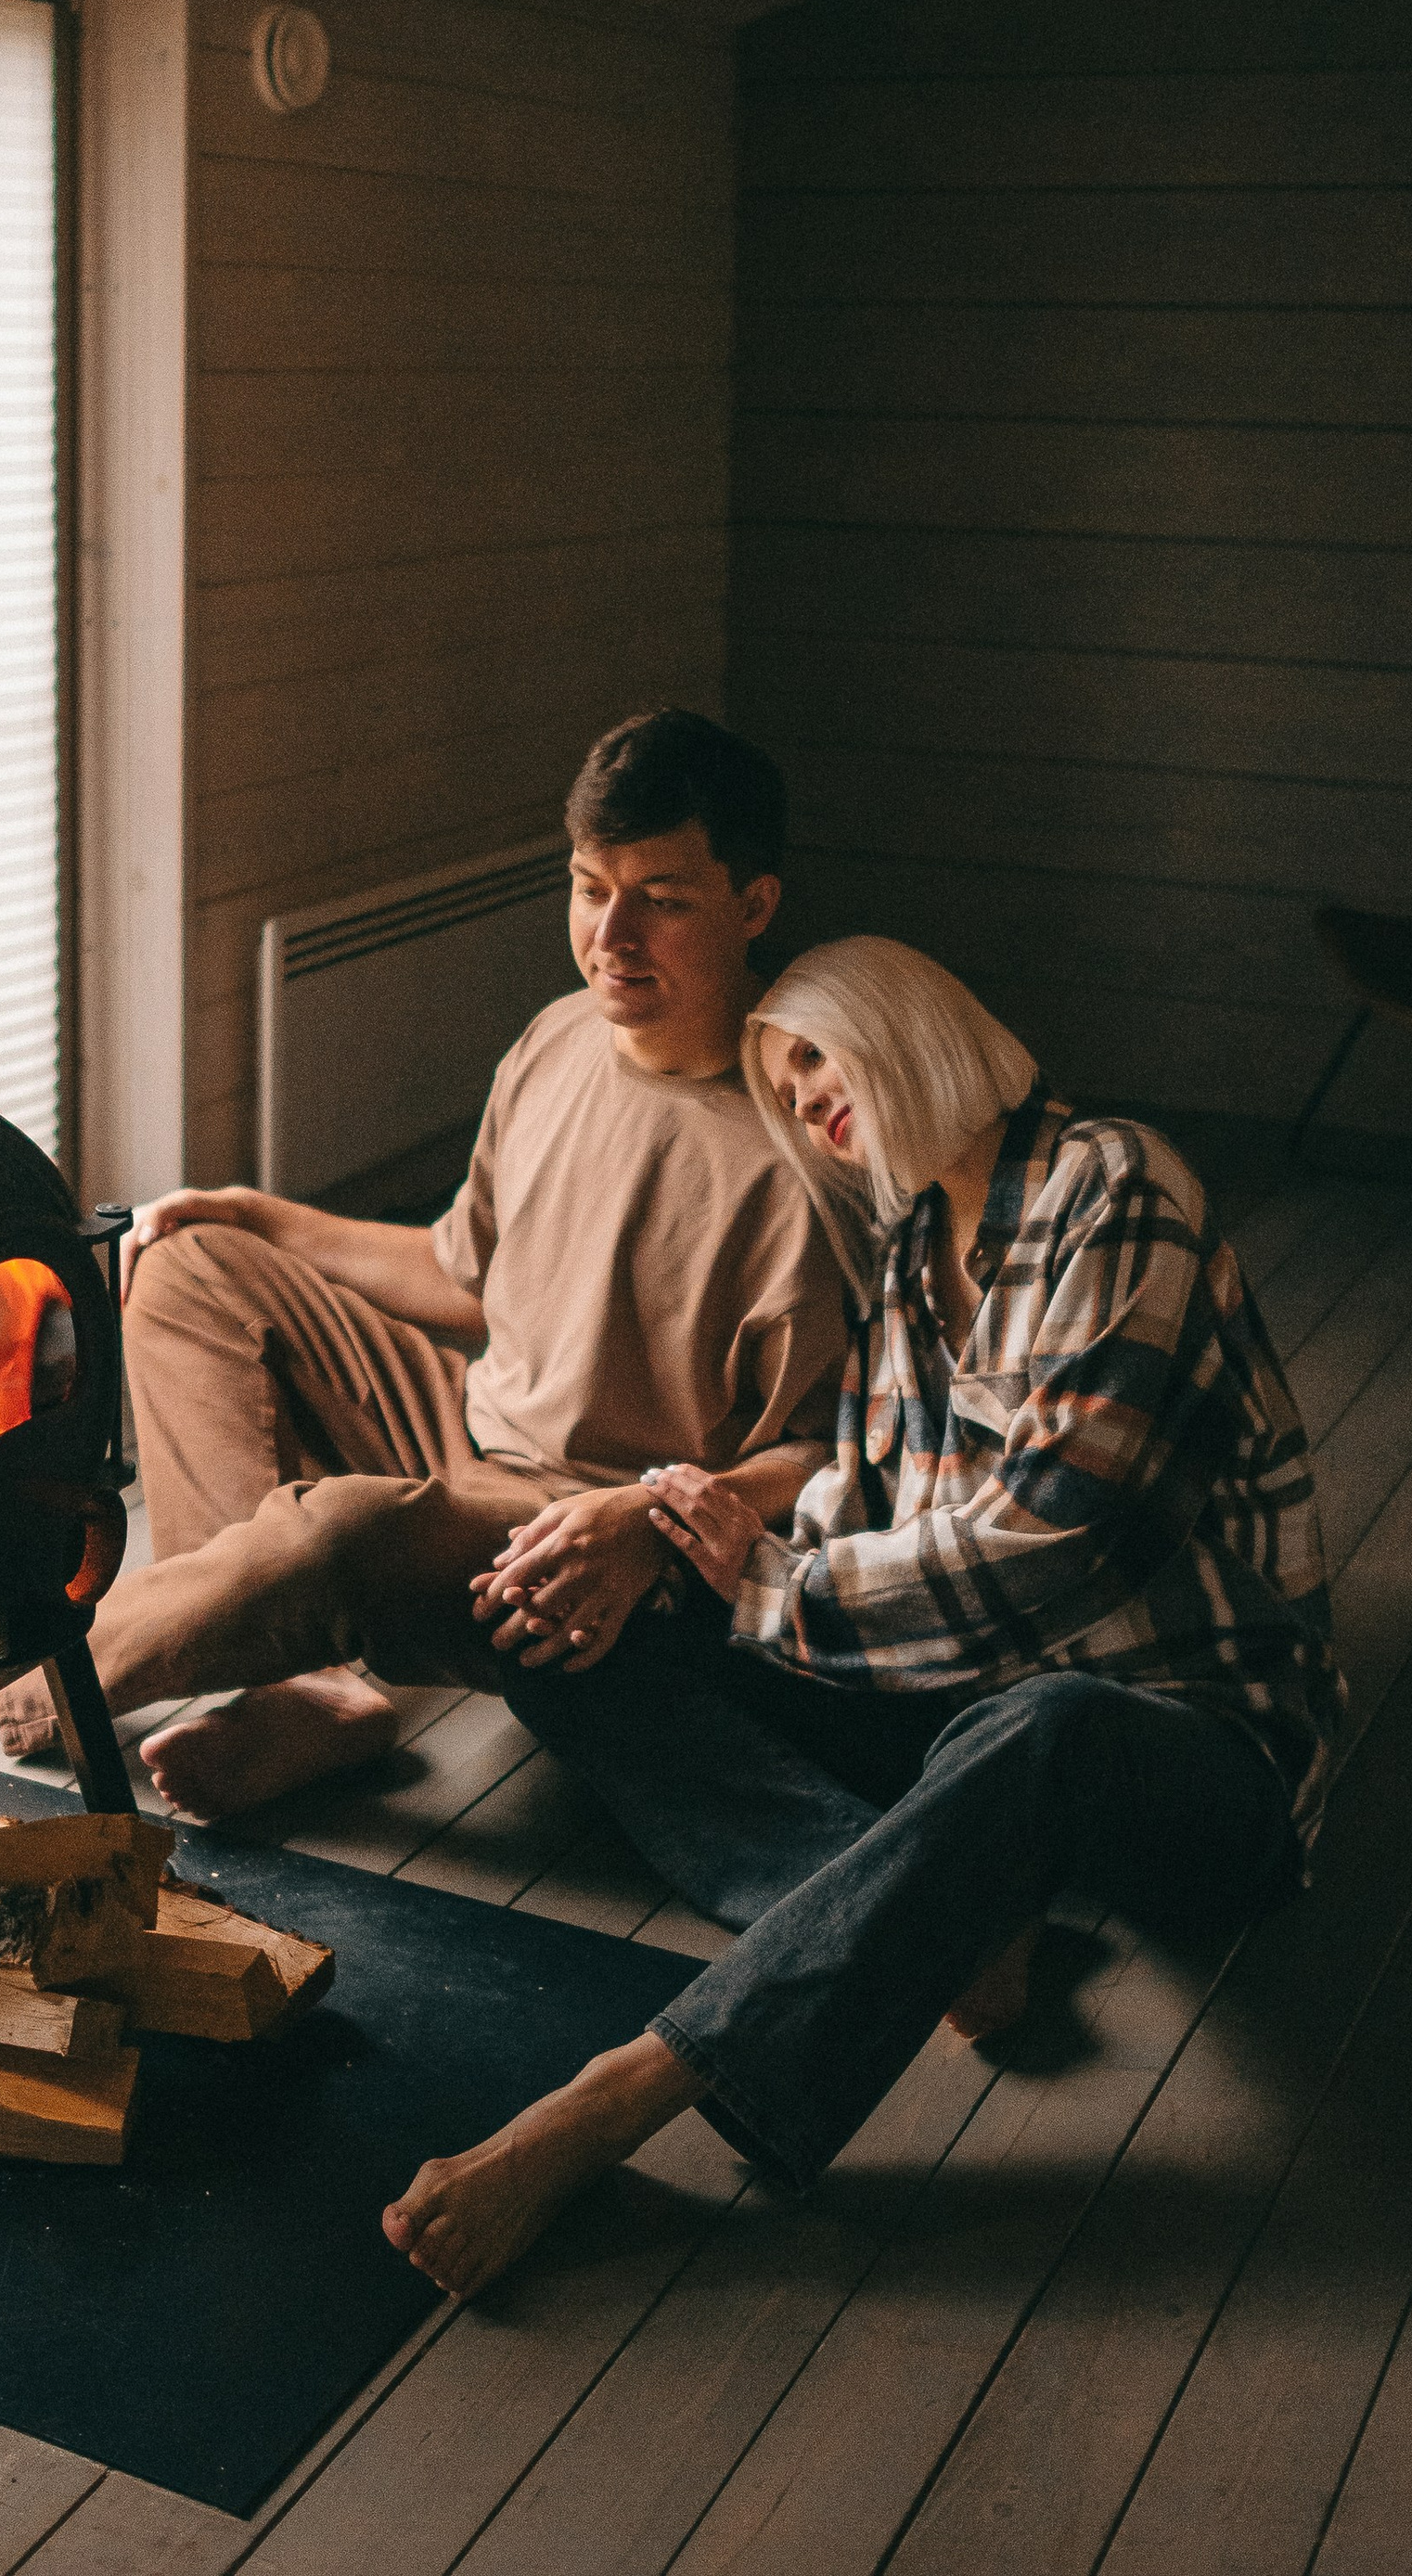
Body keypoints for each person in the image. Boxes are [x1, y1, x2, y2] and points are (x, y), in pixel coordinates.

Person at [385, 933, 1342, 2299]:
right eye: (785, 1083)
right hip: (959, 1707)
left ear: (913, 1024)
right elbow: (862, 1500)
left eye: (820, 1053)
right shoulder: (908, 1256)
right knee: (549, 1606)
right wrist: (673, 1544)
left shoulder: (1117, 1185)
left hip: (1186, 1748)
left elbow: (1050, 1542)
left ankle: (611, 2100)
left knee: (1050, 1720)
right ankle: (951, 1923)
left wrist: (772, 1584)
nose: (810, 1097)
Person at [0, 711, 851, 1817]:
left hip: (590, 1538)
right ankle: (294, 1685)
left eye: (663, 899)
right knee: (191, 1265)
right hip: (469, 1427)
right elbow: (464, 1275)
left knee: (340, 1529)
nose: (612, 935)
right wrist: (262, 1216)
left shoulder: (806, 1140)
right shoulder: (556, 1039)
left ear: (754, 905)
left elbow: (831, 1456)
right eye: (591, 888)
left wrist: (644, 1523)